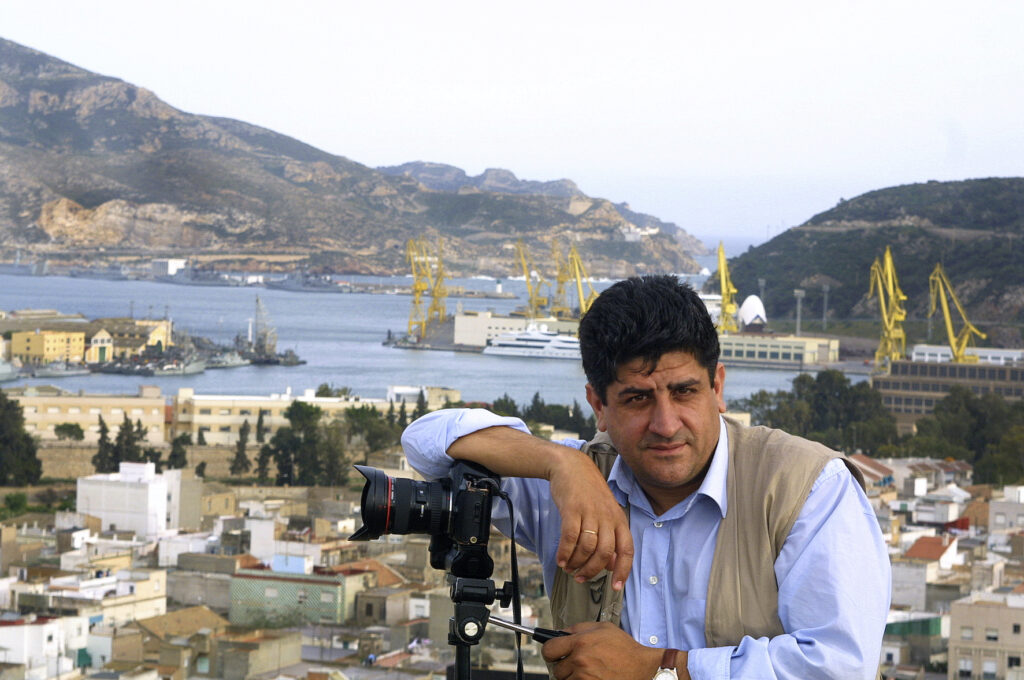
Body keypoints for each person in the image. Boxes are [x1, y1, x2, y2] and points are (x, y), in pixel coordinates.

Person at [403, 275, 891, 680]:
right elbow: (426, 441)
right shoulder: (575, 485)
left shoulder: (805, 487)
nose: (666, 423)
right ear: (599, 406)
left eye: (684, 392)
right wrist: (561, 463)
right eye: (637, 399)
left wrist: (659, 669)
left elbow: (839, 666)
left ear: (717, 387)